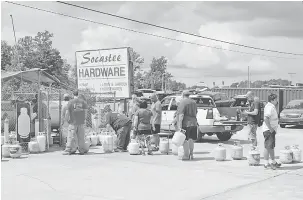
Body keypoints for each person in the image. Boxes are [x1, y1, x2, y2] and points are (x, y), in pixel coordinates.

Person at [63, 90, 88, 155]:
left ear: (72, 94)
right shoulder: (83, 102)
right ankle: (81, 150)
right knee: (81, 137)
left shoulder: (70, 102)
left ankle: (69, 150)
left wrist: (66, 120)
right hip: (81, 123)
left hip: (73, 122)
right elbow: (85, 113)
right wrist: (83, 119)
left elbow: (67, 113)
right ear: (79, 94)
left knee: (71, 137)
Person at [177, 90, 198, 160]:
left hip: (186, 123)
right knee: (191, 139)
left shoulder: (182, 102)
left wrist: (179, 126)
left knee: (184, 140)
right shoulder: (194, 102)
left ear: (183, 95)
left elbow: (181, 115)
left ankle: (186, 155)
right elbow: (196, 112)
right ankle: (191, 154)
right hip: (194, 123)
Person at [263, 94, 281, 170]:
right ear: (272, 100)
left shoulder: (271, 107)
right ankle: (267, 163)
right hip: (269, 130)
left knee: (270, 147)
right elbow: (266, 118)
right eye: (276, 99)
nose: (277, 101)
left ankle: (273, 162)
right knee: (268, 147)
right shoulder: (270, 107)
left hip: (271, 130)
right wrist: (270, 128)